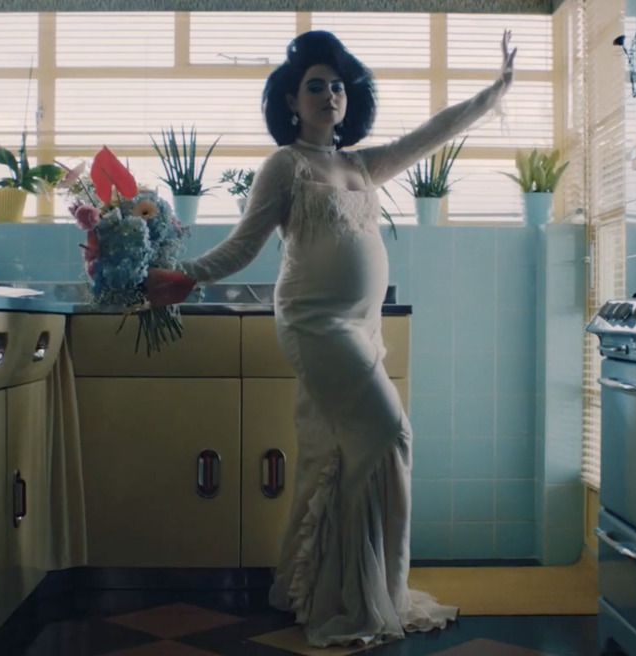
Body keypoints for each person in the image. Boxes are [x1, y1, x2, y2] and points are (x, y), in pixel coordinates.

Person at [146, 29, 517, 647]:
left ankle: (327, 589)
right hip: (314, 322)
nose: (329, 94)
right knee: (389, 434)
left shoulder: (361, 164)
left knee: (334, 457)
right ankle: (367, 593)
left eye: (337, 86)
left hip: (362, 327)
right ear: (292, 100)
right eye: (315, 86)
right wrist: (188, 276)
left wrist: (496, 91)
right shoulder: (285, 164)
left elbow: (435, 132)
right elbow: (245, 244)